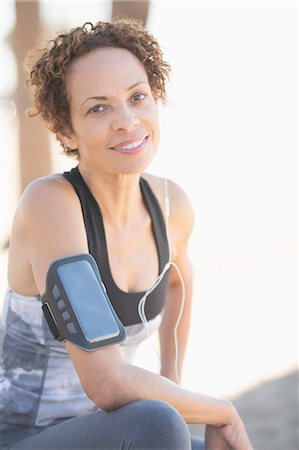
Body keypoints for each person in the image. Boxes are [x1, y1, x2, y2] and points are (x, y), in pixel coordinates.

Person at [0, 19, 253, 450]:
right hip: (22, 435)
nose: (127, 120)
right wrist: (219, 411)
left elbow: (178, 282)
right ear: (66, 131)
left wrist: (172, 378)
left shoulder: (173, 206)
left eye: (138, 97)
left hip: (113, 430)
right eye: (98, 108)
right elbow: (107, 383)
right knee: (159, 421)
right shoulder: (51, 205)